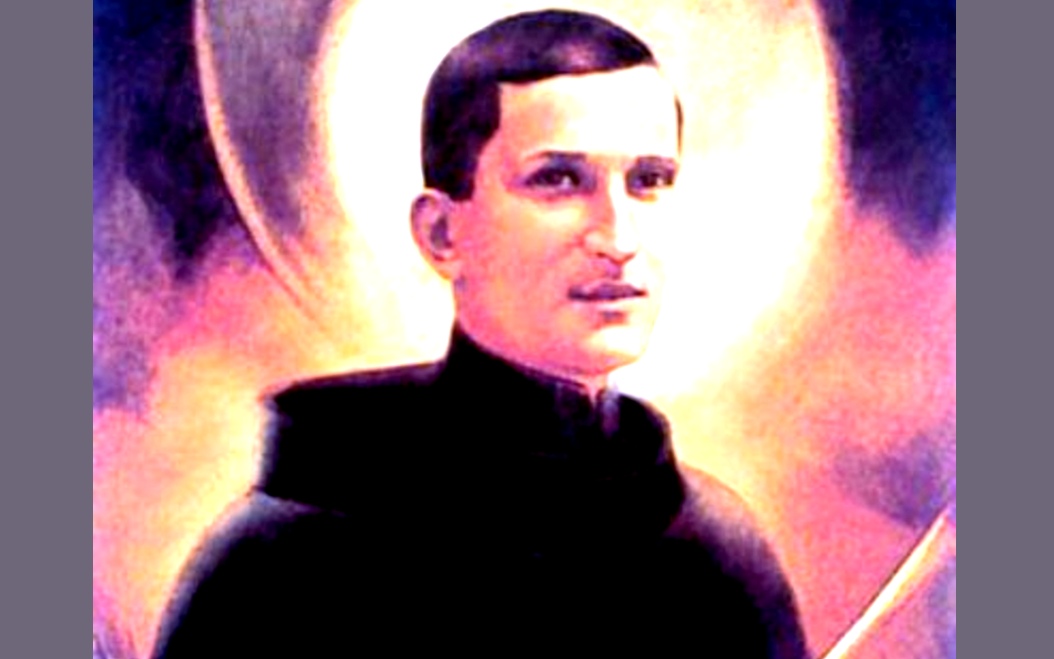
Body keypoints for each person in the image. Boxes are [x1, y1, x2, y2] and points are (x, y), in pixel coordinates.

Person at [152, 9, 810, 658]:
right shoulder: (277, 568)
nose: (619, 238)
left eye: (649, 181)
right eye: (558, 180)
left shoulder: (720, 558)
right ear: (442, 233)